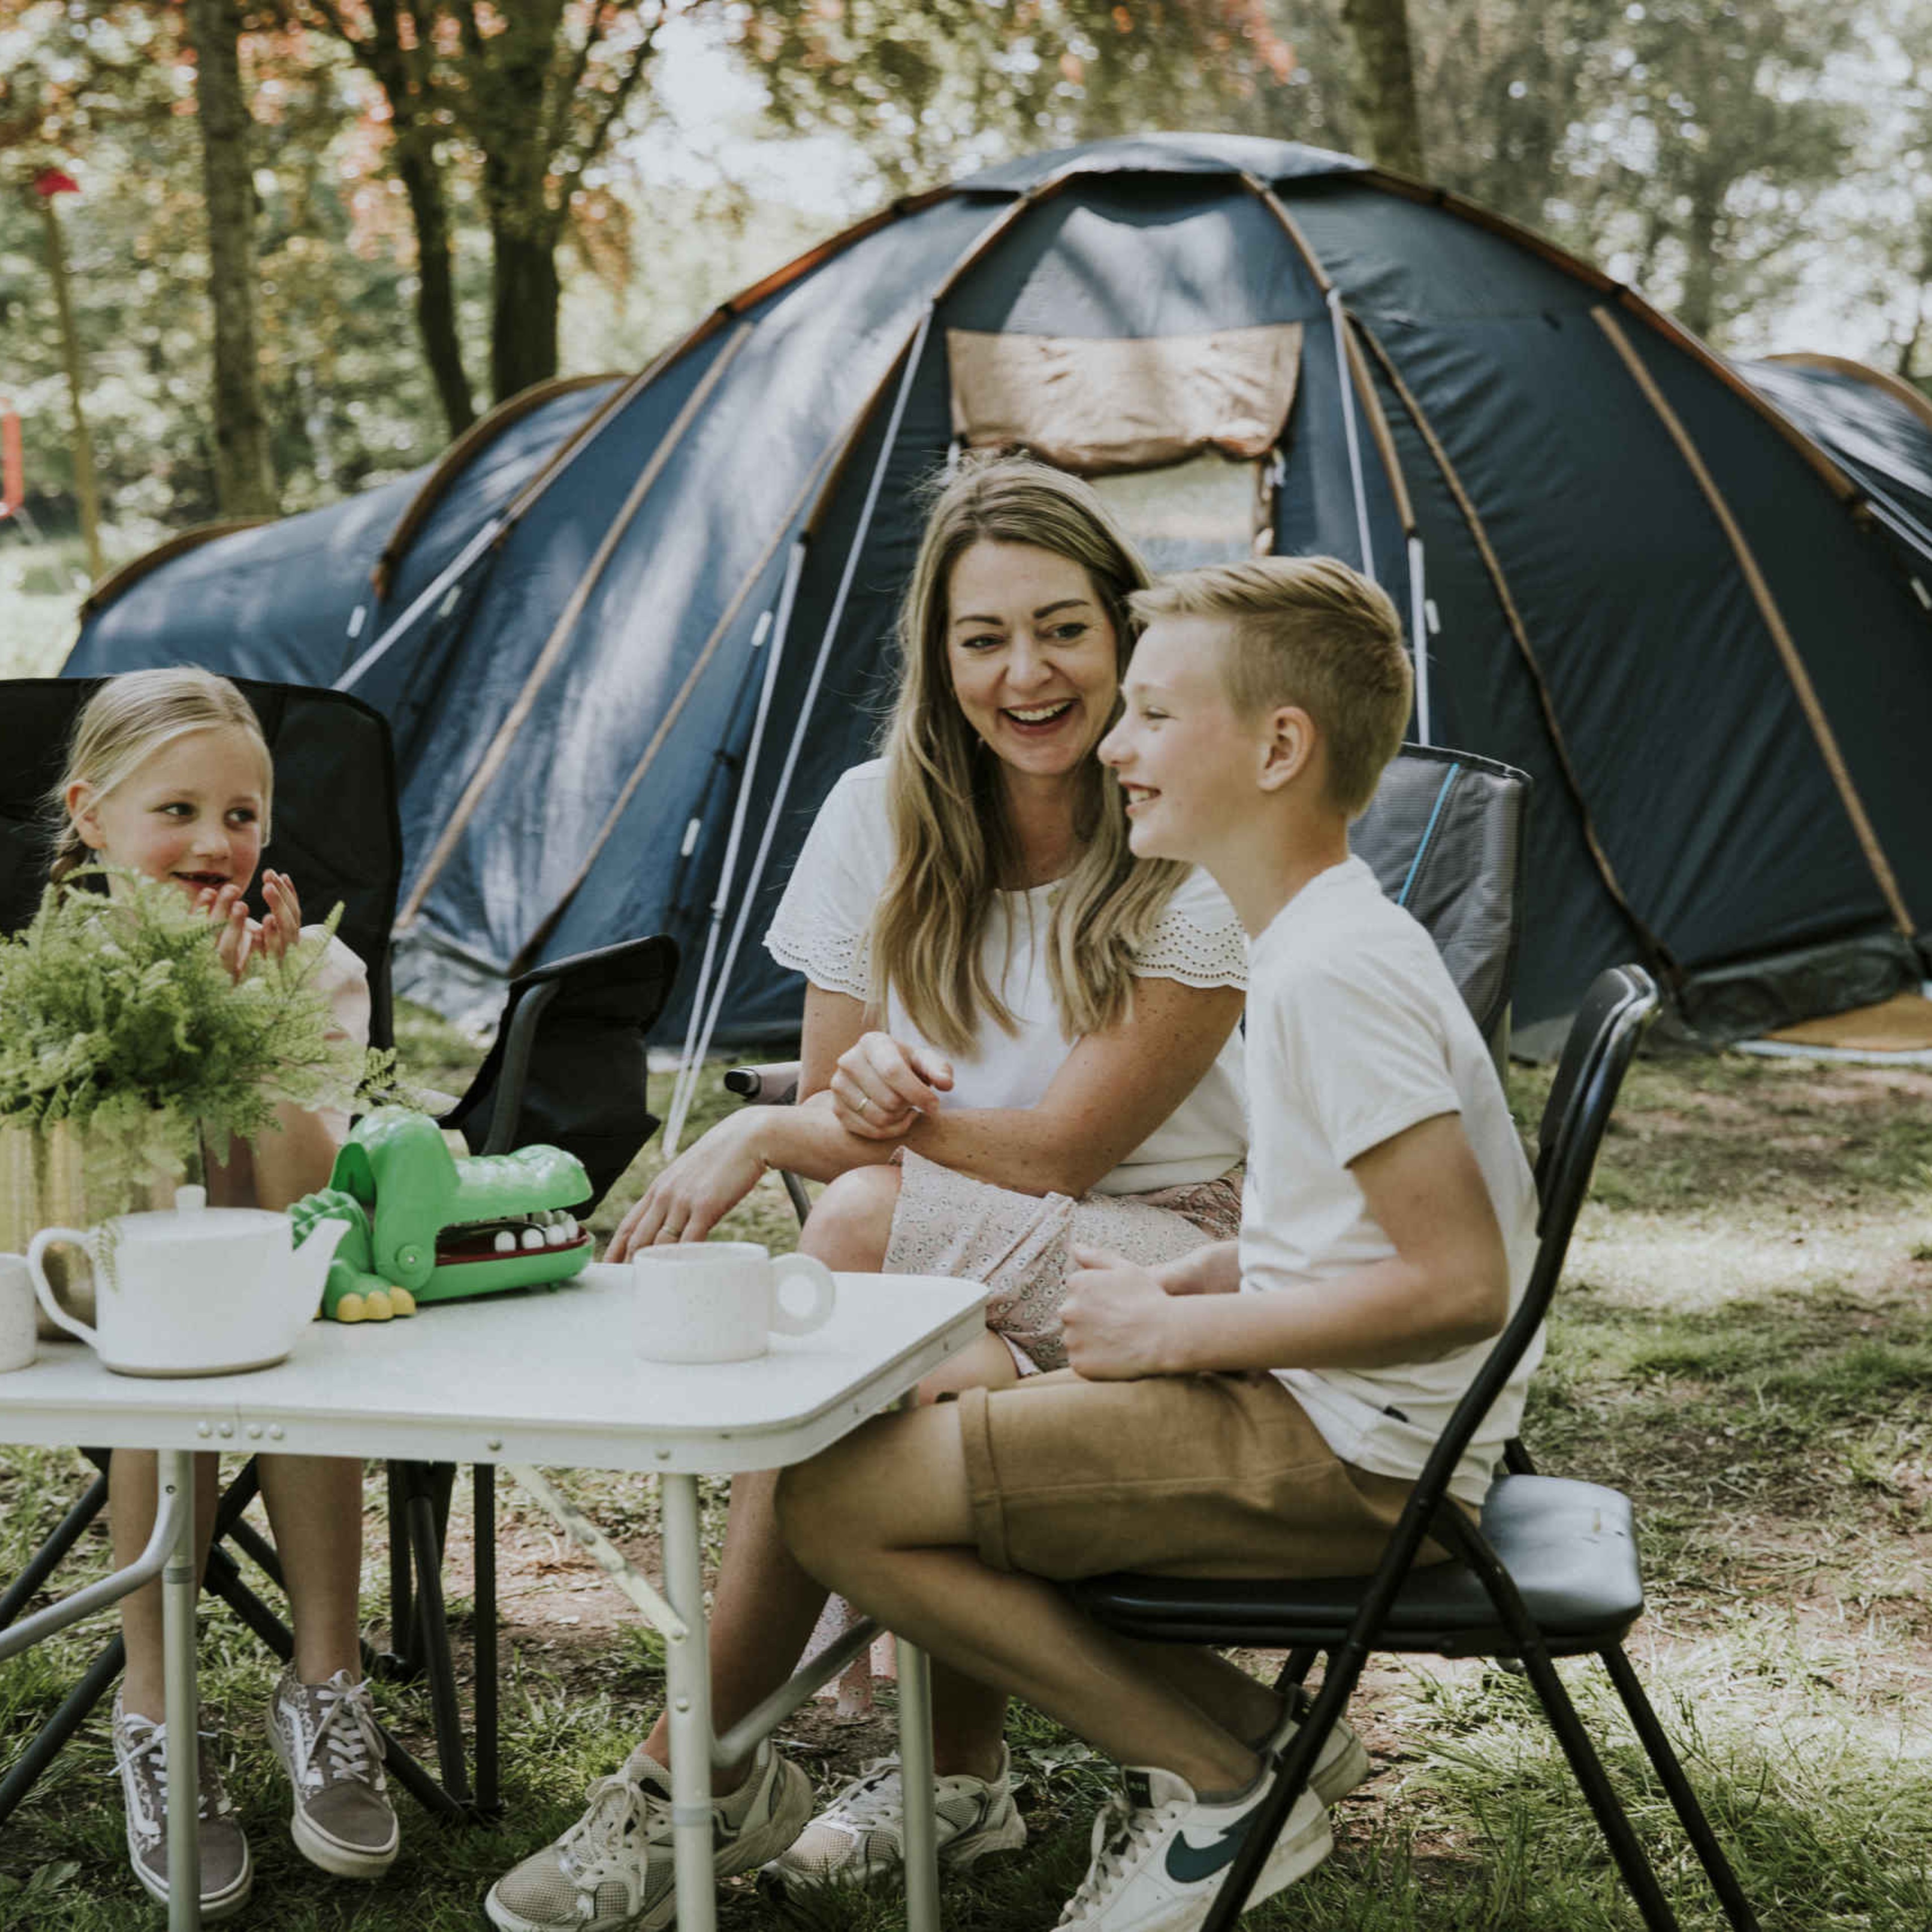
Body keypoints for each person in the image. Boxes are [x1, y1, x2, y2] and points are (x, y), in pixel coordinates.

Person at [486, 457, 1365, 1932]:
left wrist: (769, 1143)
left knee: (858, 1234)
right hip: (972, 1257)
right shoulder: (875, 814)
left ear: (1127, 636)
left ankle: (694, 1777)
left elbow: (1060, 1159)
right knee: (918, 1343)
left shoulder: (1183, 830)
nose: (1026, 673)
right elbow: (848, 1101)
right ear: (937, 656)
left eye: (1065, 629)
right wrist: (836, 1121)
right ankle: (953, 1777)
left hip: (1181, 1261)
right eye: (983, 637)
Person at [773, 555, 1542, 1932]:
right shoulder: (1318, 941)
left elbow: (1462, 1280)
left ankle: (1221, 1785)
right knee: (926, 1428)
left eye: (1153, 715)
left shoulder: (1333, 975)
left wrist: (1183, 1336)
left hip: (1356, 1459)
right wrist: (1212, 1274)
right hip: (1341, 1422)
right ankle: (1262, 1745)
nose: (1114, 745)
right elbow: (1352, 1228)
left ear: (1279, 746)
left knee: (838, 1504)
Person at [49, 669, 395, 1921]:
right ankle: (159, 1712)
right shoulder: (51, 982)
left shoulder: (316, 969)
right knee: (167, 1358)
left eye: (243, 816)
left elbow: (301, 1197)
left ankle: (327, 1682)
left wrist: (248, 1027)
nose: (216, 843)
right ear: (92, 818)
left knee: (268, 1345)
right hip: (79, 1299)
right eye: (178, 811)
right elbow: (76, 1194)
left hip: (261, 1300)